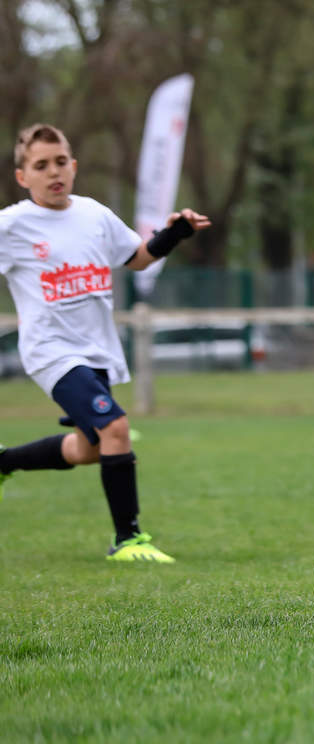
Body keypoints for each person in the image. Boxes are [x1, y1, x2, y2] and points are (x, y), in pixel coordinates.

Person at [0, 123, 211, 562]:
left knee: (89, 448)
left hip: (97, 351)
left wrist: (175, 232)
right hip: (51, 352)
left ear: (73, 166)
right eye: (41, 165)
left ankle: (4, 462)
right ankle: (128, 540)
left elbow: (137, 258)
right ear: (22, 177)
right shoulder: (12, 225)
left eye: (60, 162)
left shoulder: (93, 214)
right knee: (116, 428)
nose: (53, 172)